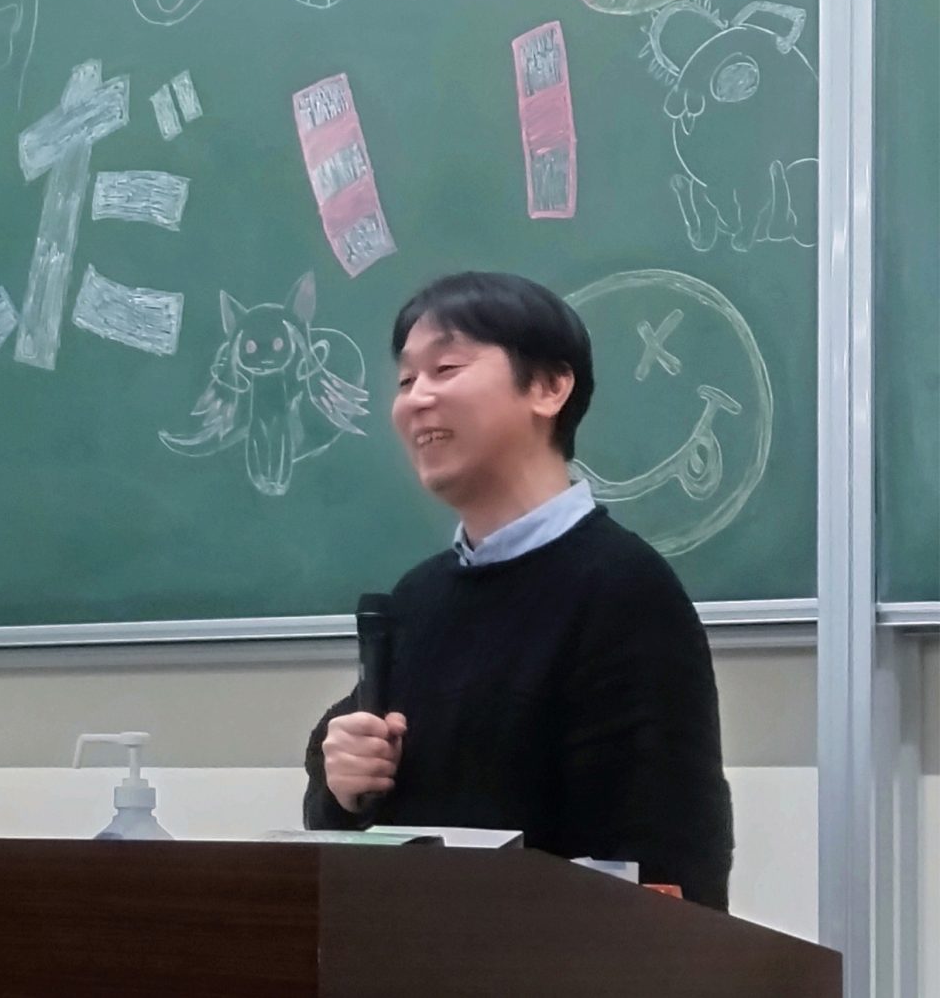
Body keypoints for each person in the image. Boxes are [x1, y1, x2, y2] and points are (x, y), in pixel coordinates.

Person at [302, 271, 734, 909]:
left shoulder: (623, 590)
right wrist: (341, 785)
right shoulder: (420, 597)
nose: (416, 399)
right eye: (405, 380)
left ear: (549, 387)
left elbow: (668, 861)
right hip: (416, 946)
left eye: (445, 368)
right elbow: (376, 818)